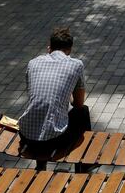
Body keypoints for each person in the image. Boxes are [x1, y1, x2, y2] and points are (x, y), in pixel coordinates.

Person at [18, 27, 91, 171]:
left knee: (40, 112)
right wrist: (67, 93)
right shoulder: (76, 65)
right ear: (69, 50)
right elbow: (78, 103)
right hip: (55, 140)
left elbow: (35, 95)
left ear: (49, 48)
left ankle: (41, 165)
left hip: (26, 136)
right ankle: (85, 165)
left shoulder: (33, 63)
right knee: (82, 112)